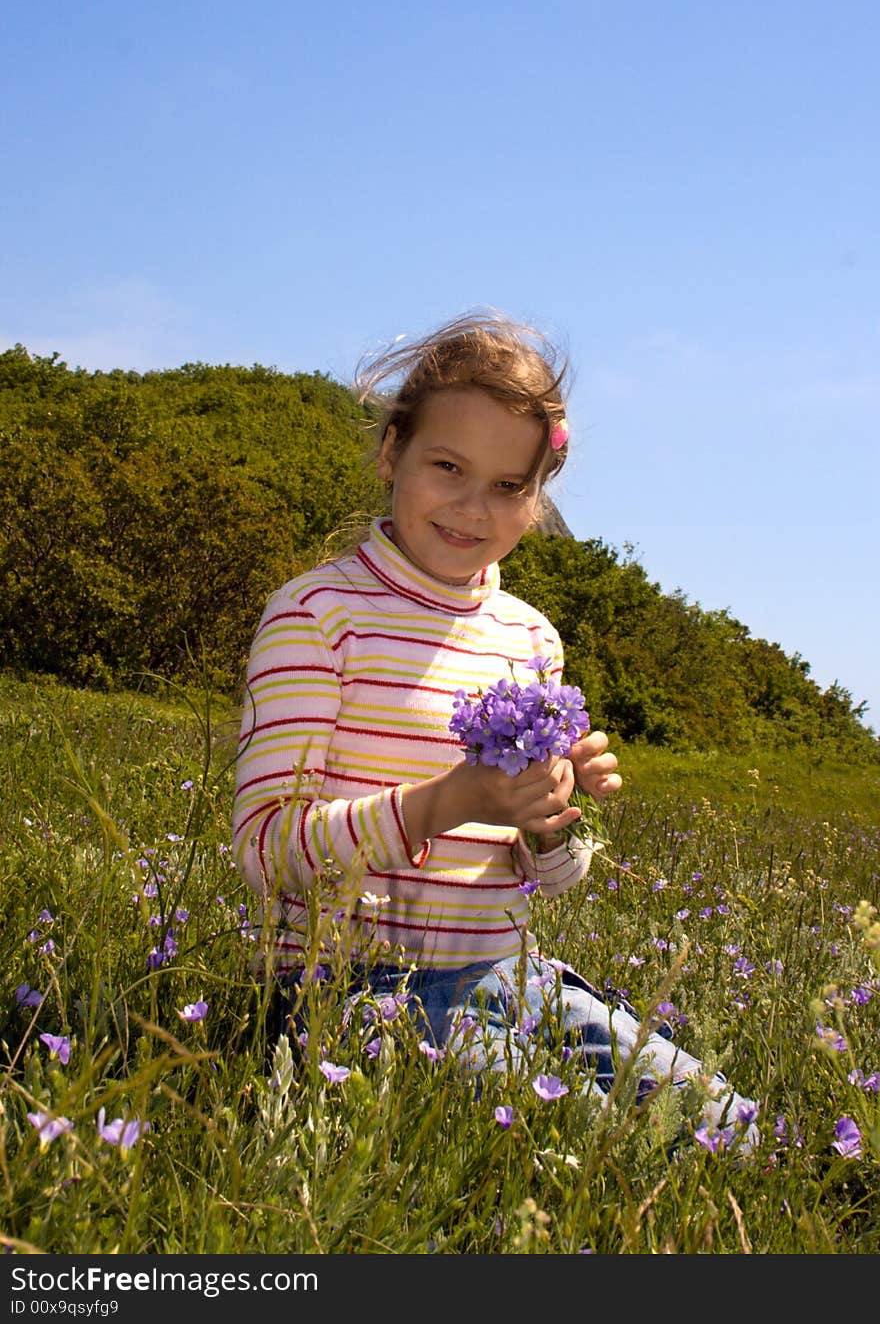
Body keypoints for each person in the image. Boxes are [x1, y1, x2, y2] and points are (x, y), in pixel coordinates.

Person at [232, 310, 756, 1146]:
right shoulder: (320, 614)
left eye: (510, 485)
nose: (474, 508)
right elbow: (266, 852)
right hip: (346, 990)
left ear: (538, 495)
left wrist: (550, 820)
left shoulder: (530, 638)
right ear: (390, 450)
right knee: (594, 1137)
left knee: (724, 1123)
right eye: (447, 466)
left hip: (508, 973)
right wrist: (451, 799)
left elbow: (548, 879)